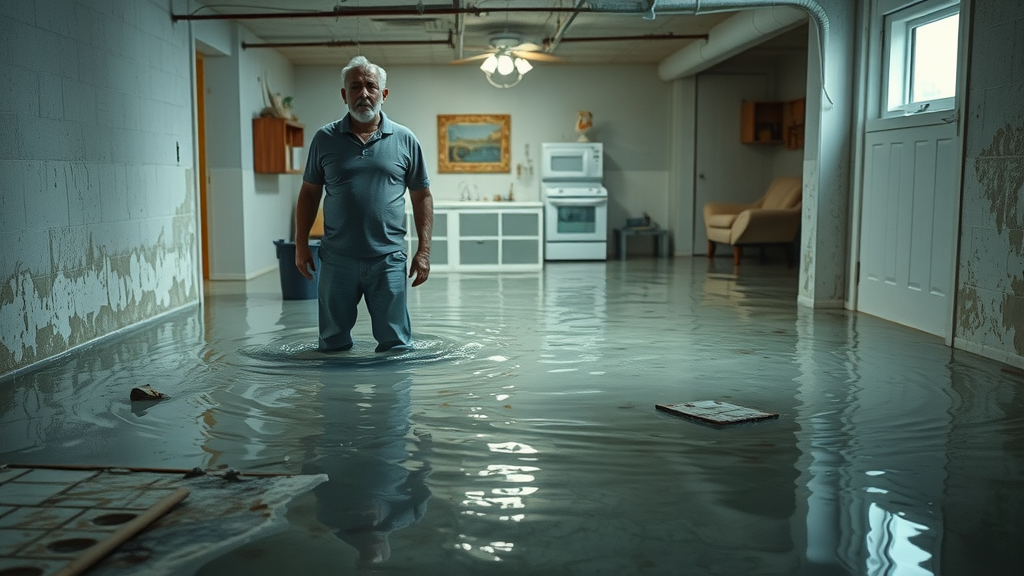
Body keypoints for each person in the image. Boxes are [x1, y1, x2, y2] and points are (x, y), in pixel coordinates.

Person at [294, 55, 433, 352]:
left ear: (383, 94)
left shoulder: (406, 140)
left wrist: (423, 250)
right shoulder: (324, 139)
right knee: (331, 344)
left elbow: (422, 196)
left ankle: (391, 397)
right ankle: (337, 398)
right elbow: (309, 194)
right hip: (336, 259)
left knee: (396, 345)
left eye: (371, 86)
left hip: (388, 260)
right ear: (344, 95)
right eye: (355, 87)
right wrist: (300, 243)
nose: (364, 94)